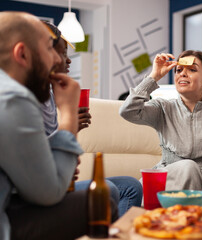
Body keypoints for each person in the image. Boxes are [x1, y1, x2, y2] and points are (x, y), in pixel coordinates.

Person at [0, 12, 119, 240]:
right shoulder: (13, 98)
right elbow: (50, 192)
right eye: (48, 49)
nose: (57, 60)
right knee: (99, 203)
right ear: (22, 54)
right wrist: (68, 114)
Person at [41, 21, 143, 217]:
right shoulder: (22, 100)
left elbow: (56, 150)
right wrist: (69, 121)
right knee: (110, 190)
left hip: (55, 181)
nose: (68, 61)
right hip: (39, 191)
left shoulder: (51, 96)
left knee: (130, 186)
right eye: (63, 54)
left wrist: (74, 128)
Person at [120, 51, 202, 190]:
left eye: (192, 69)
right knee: (188, 166)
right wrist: (154, 76)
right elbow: (127, 111)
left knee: (192, 168)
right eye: (179, 70)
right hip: (168, 178)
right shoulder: (163, 107)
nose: (182, 74)